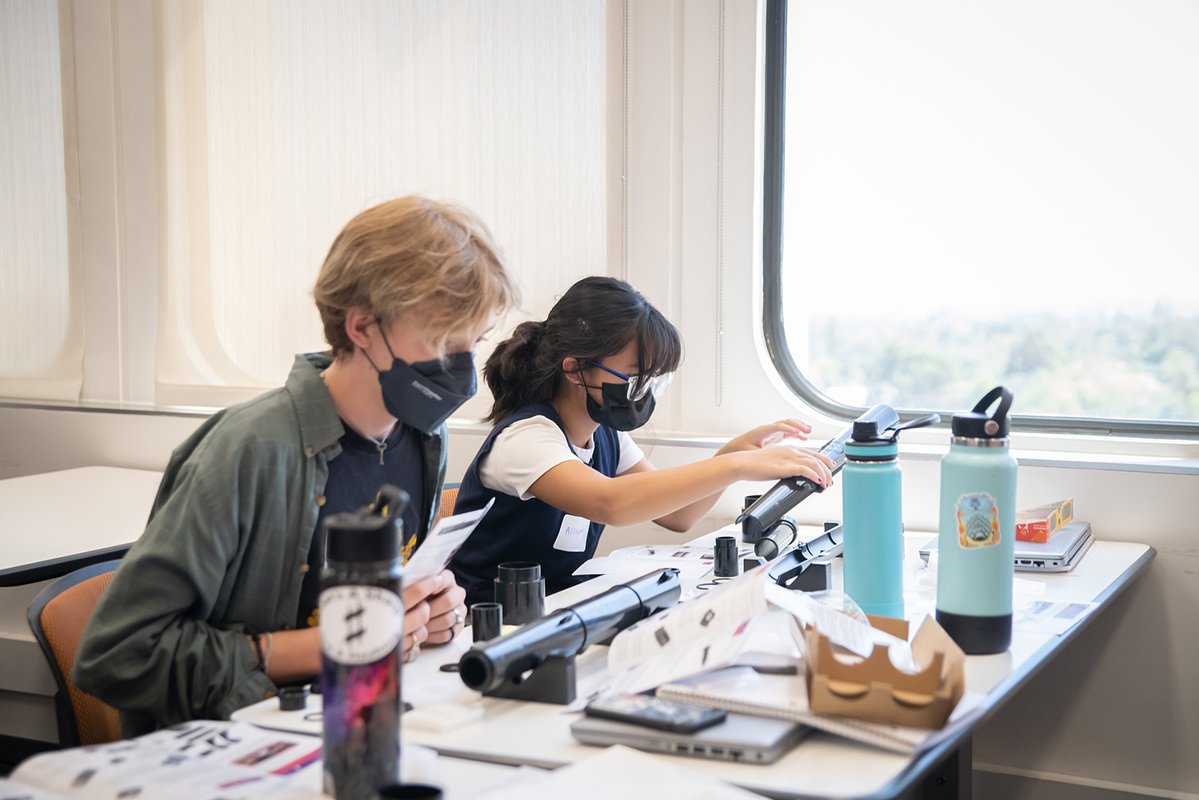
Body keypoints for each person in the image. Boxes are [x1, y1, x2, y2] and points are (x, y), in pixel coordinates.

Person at [75, 196, 518, 736]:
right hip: (239, 745)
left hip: (350, 723)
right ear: (361, 328)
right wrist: (329, 646)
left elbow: (373, 608)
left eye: (475, 341)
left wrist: (423, 615)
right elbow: (118, 656)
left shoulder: (424, 436)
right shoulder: (247, 450)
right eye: (444, 341)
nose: (465, 368)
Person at [448, 276, 835, 606]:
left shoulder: (606, 437)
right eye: (634, 378)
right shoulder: (526, 438)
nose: (642, 392)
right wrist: (734, 466)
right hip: (483, 619)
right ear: (574, 368)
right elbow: (610, 503)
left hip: (552, 605)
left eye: (655, 380)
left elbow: (678, 516)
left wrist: (733, 456)